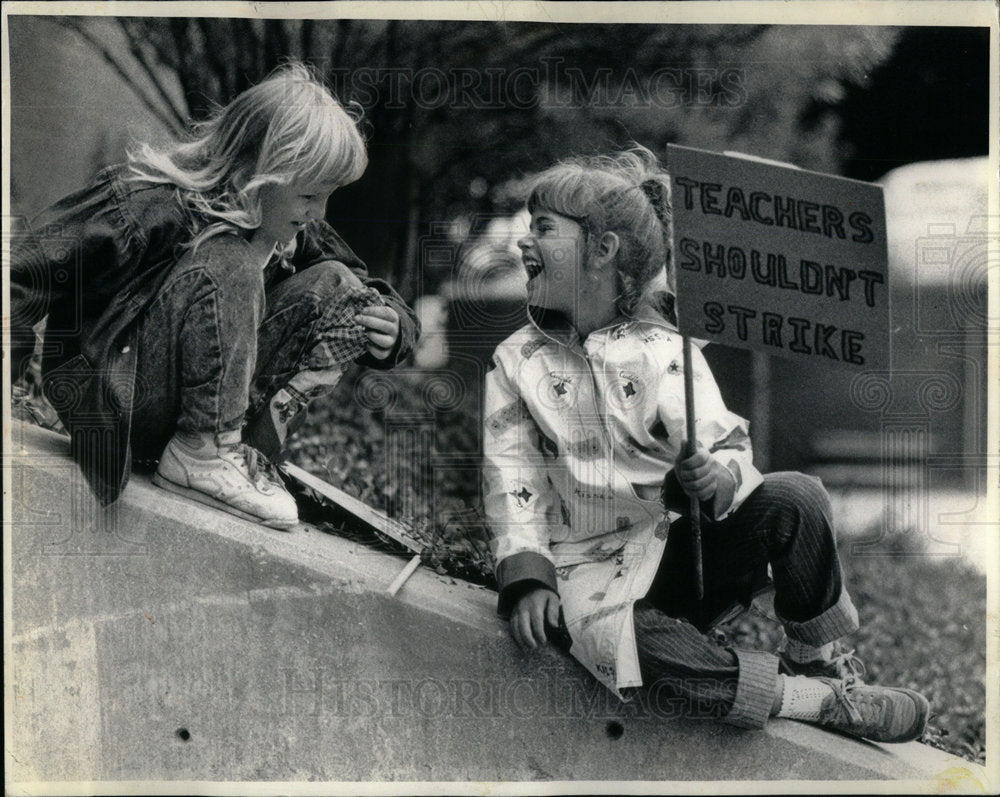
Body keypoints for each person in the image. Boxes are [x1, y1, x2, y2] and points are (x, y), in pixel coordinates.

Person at [482, 146, 929, 742]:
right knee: (640, 647)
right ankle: (809, 701)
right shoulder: (516, 361)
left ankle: (816, 659)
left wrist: (718, 478)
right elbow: (513, 476)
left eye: (542, 228)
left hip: (682, 561)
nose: (523, 243)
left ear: (601, 250)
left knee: (797, 496)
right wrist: (529, 578)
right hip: (588, 580)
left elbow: (727, 444)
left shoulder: (669, 350)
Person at [10, 63, 419, 529]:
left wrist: (394, 326)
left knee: (337, 285)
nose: (318, 212)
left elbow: (360, 282)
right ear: (258, 172)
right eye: (310, 195)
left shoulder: (290, 225)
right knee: (230, 257)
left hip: (194, 420)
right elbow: (22, 274)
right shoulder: (148, 203)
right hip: (121, 405)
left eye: (327, 197)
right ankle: (203, 452)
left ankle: (240, 453)